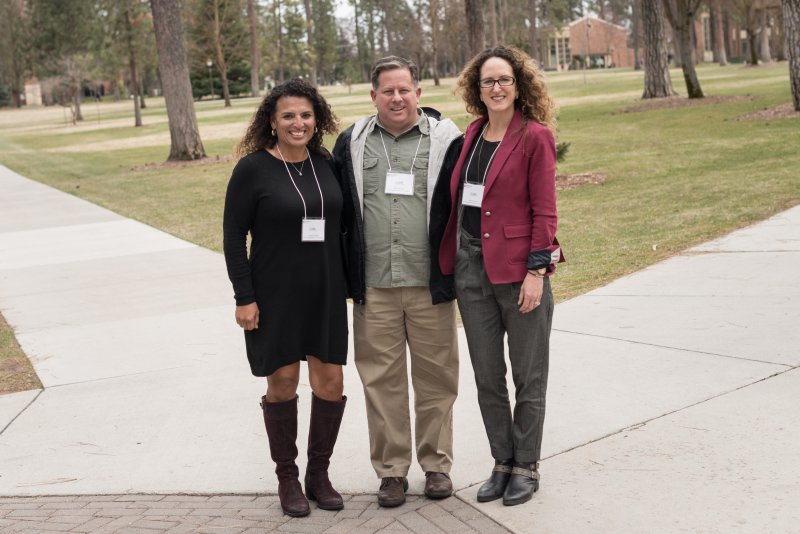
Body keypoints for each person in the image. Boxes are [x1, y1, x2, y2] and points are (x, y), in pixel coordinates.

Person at [332, 56, 463, 508]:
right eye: (387, 90)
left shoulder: (449, 141)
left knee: (437, 380)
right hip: (375, 287)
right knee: (381, 383)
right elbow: (338, 213)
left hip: (430, 284)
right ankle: (391, 472)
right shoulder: (351, 142)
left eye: (404, 89)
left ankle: (436, 466)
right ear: (373, 97)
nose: (396, 97)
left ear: (418, 93)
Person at [437, 45, 564, 507]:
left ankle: (526, 465)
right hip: (471, 269)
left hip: (518, 270)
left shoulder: (535, 137)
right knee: (488, 375)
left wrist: (537, 271)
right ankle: (502, 462)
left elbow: (545, 211)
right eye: (488, 81)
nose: (496, 88)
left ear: (519, 85)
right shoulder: (471, 134)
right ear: (477, 88)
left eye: (504, 80)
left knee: (529, 375)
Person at [223, 78, 348, 517]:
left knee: (330, 382)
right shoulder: (252, 169)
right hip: (274, 294)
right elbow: (234, 235)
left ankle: (319, 474)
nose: (299, 123)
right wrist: (244, 297)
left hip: (326, 291)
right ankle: (288, 478)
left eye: (306, 115)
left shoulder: (325, 162)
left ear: (318, 119)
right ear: (272, 123)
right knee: (283, 383)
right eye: (289, 116)